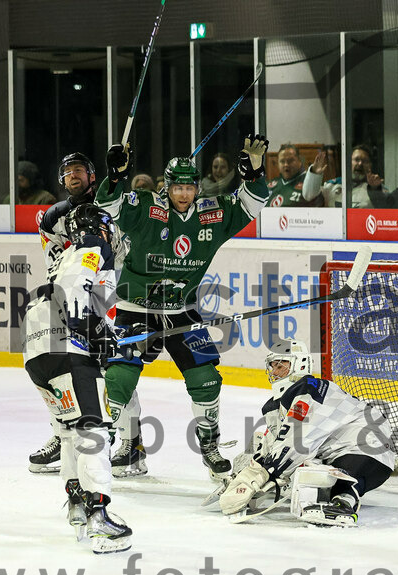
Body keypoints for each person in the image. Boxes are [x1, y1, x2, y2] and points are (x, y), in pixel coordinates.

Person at [95, 136, 272, 480]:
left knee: (206, 379)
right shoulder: (146, 208)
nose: (184, 195)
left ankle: (210, 448)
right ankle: (130, 448)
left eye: (190, 188)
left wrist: (254, 174)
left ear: (196, 188)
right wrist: (114, 176)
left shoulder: (212, 216)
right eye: (177, 188)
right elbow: (110, 206)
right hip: (136, 308)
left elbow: (253, 204)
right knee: (118, 377)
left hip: (182, 310)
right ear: (167, 186)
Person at [22, 204, 133, 554]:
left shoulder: (66, 253)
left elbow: (85, 300)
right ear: (100, 227)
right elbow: (73, 292)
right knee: (94, 429)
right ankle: (99, 516)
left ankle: (76, 503)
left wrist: (104, 333)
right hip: (66, 347)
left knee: (71, 431)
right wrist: (93, 330)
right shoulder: (92, 245)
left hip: (37, 352)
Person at [28, 152, 139, 475]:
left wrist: (116, 178)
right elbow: (54, 261)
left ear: (92, 176)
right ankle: (62, 432)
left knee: (115, 366)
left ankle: (132, 442)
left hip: (112, 291)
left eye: (79, 170)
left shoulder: (113, 202)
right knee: (65, 365)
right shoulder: (53, 217)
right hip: (74, 293)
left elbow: (128, 246)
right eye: (67, 172)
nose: (73, 176)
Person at [219, 338, 395, 527]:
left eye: (281, 365)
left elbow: (295, 443)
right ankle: (339, 496)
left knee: (319, 472)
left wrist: (259, 476)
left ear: (300, 364)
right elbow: (276, 440)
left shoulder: (310, 389)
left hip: (368, 450)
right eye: (273, 367)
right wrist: (247, 471)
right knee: (298, 467)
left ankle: (344, 504)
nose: (275, 372)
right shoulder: (282, 403)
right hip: (356, 453)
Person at [324, 144, 388, 208]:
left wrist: (375, 190)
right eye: (357, 160)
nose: (360, 164)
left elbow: (386, 210)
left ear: (370, 166)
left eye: (365, 161)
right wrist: (315, 173)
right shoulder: (331, 185)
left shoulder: (377, 188)